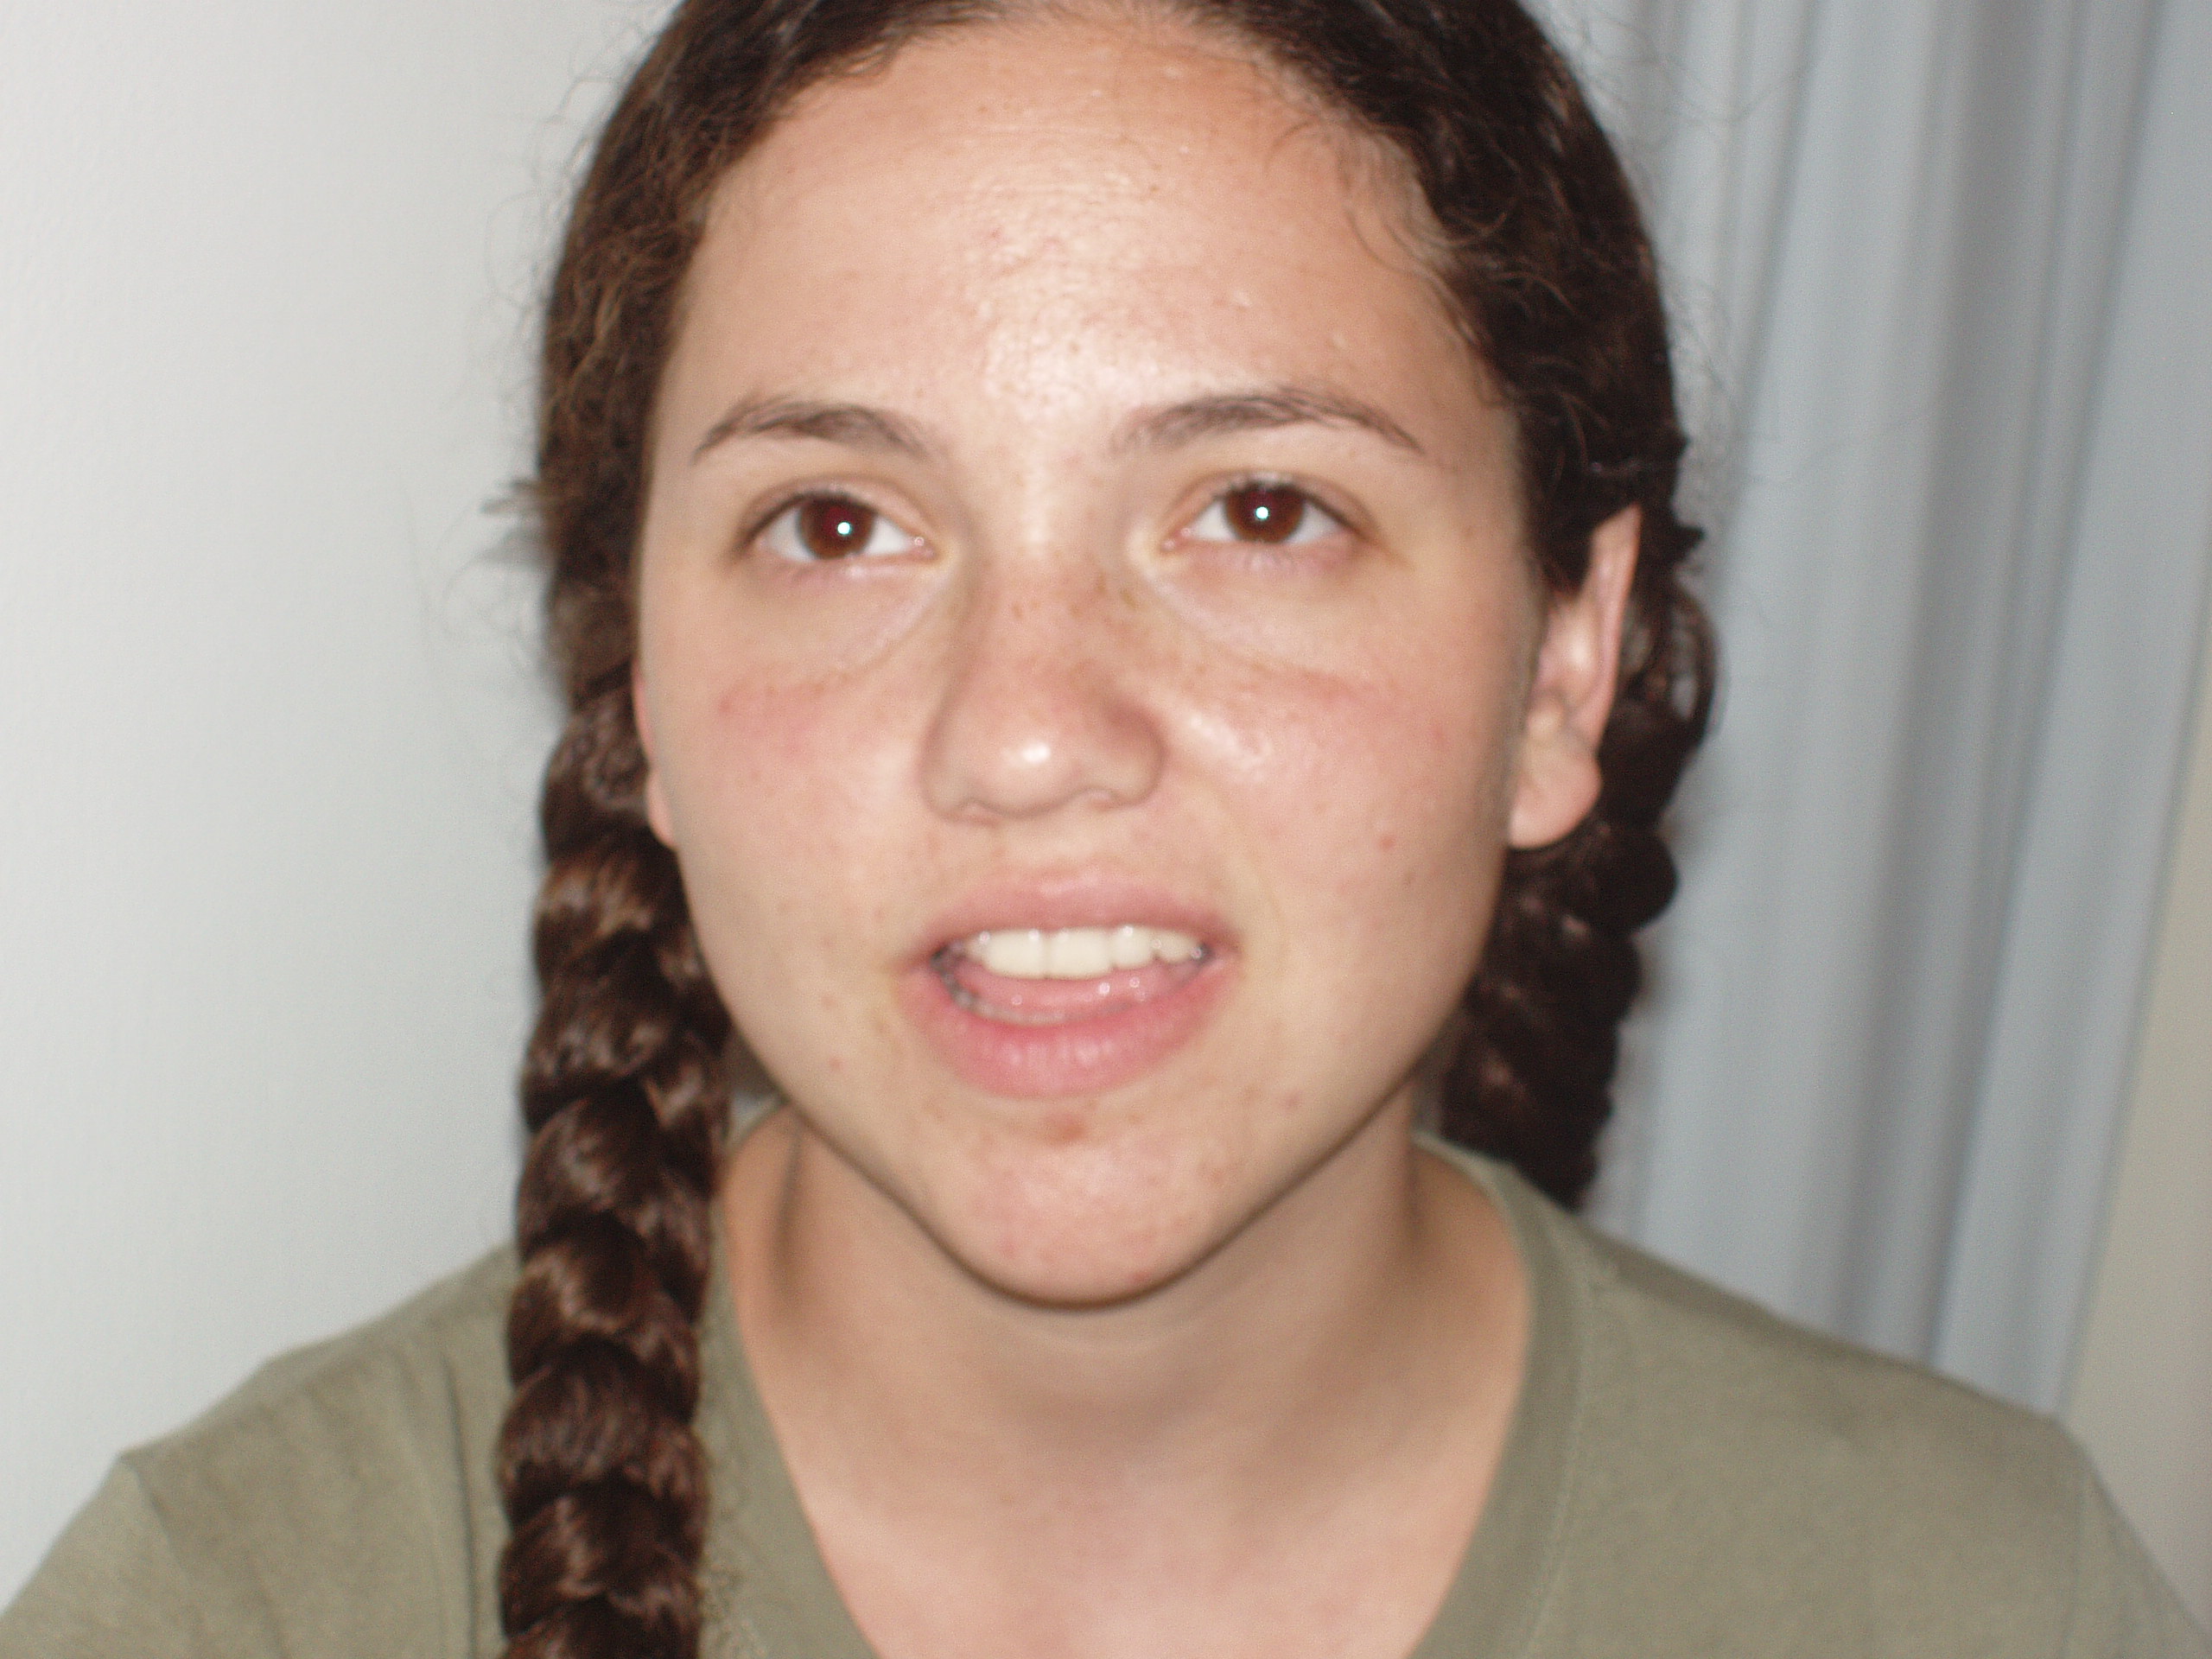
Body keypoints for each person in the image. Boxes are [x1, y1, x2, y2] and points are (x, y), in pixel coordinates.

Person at [3, 0, 2202, 1655]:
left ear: (1561, 672)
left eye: (1258, 512)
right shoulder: (226, 1610)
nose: (1028, 734)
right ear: (638, 687)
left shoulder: (1984, 1599)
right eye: (837, 523)